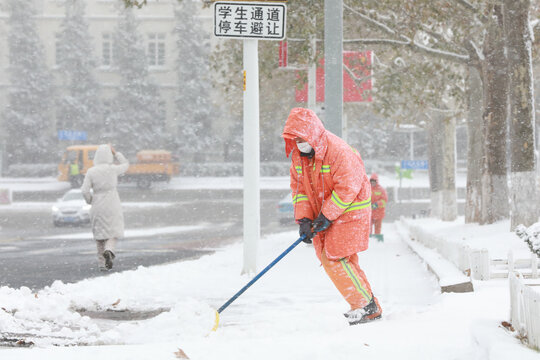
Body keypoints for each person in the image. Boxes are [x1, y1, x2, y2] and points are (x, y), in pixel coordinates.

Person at [282, 107, 382, 325]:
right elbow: (300, 192)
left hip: (350, 211)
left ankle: (364, 305)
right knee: (345, 260)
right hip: (329, 212)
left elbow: (348, 187)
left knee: (334, 257)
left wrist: (326, 215)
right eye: (295, 139)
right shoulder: (299, 159)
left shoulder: (338, 151)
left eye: (302, 138)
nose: (299, 143)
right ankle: (368, 305)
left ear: (313, 134)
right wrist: (305, 220)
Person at [81, 144, 129, 271]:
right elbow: (126, 165)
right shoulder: (113, 169)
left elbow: (84, 190)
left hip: (97, 204)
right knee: (113, 233)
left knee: (100, 236)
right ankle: (109, 250)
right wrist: (116, 153)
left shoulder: (91, 171)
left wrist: (91, 200)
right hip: (113, 203)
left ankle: (102, 263)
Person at [369, 173, 388, 242]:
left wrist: (376, 204)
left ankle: (377, 240)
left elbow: (384, 200)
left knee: (377, 227)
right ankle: (369, 240)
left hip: (379, 213)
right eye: (371, 182)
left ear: (377, 181)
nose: (372, 183)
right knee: (368, 227)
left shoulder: (381, 190)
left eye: (374, 182)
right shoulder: (367, 189)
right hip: (369, 213)